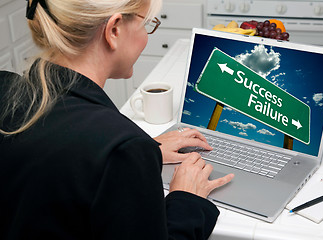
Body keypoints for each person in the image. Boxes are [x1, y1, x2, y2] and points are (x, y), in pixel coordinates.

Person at [0, 0, 234, 239]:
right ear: (114, 30)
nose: (146, 36)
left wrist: (141, 153)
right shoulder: (121, 148)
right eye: (146, 25)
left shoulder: (5, 87)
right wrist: (187, 199)